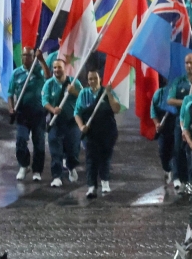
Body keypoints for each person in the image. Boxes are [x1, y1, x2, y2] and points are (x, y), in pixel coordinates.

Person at [74, 68, 120, 199]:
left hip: (107, 131)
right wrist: (81, 126)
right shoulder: (83, 94)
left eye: (95, 78)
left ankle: (105, 181)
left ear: (100, 79)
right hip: (91, 133)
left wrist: (109, 94)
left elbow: (116, 108)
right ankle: (91, 186)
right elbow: (77, 113)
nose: (92, 81)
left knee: (105, 157)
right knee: (91, 159)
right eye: (90, 79)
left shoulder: (107, 92)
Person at [8, 48, 49, 182]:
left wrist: (42, 60)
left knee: (39, 143)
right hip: (22, 114)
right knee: (21, 140)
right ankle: (24, 165)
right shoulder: (16, 73)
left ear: (33, 57)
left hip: (38, 114)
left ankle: (37, 170)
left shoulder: (39, 70)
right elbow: (10, 93)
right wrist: (11, 108)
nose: (26, 58)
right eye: (24, 55)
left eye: (29, 55)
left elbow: (48, 78)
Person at [43, 57, 82, 187]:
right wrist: (52, 110)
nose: (57, 70)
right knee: (56, 150)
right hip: (55, 123)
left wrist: (74, 92)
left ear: (65, 68)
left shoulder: (74, 82)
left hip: (72, 122)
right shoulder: (49, 84)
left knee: (73, 149)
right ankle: (56, 176)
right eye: (54, 67)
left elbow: (84, 97)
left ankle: (71, 166)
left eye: (59, 67)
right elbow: (45, 101)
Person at [168, 53, 192, 190]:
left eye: (191, 63)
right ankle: (176, 177)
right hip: (179, 120)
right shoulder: (179, 81)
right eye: (186, 63)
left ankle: (191, 178)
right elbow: (170, 100)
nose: (189, 66)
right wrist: (187, 102)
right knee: (178, 149)